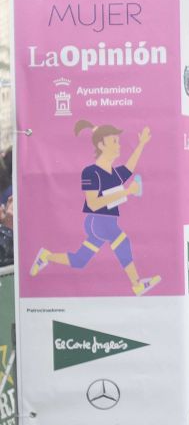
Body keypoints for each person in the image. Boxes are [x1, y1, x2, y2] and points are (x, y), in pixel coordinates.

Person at [29, 120, 160, 296]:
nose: (118, 145)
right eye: (114, 141)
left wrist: (141, 144)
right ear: (101, 145)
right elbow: (93, 203)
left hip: (105, 221)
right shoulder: (90, 172)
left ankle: (46, 256)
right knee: (122, 242)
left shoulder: (112, 173)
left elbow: (129, 168)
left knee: (79, 260)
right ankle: (136, 284)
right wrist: (127, 192)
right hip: (98, 221)